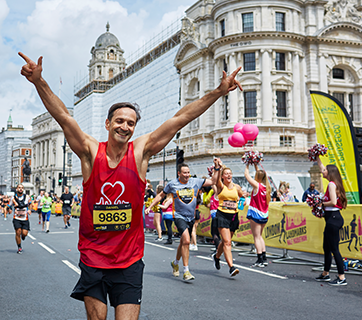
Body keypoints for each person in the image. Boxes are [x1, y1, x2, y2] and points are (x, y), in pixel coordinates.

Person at [20, 51, 242, 318]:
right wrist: (39, 82)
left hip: (129, 260)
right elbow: (64, 118)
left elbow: (179, 119)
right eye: (120, 121)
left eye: (131, 123)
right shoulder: (91, 152)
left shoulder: (140, 152)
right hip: (94, 256)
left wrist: (218, 92)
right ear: (108, 123)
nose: (125, 127)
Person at [147, 161, 220, 281]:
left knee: (183, 242)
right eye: (184, 173)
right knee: (186, 240)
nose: (187, 175)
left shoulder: (195, 182)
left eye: (188, 173)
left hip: (191, 217)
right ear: (179, 173)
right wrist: (150, 207)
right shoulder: (172, 184)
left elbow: (213, 181)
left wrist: (216, 169)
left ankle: (175, 263)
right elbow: (161, 195)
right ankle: (186, 271)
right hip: (179, 216)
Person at [314, 154, 348, 286]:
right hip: (332, 218)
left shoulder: (331, 185)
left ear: (330, 173)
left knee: (334, 249)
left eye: (325, 170)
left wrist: (321, 203)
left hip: (333, 218)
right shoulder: (333, 183)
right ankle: (325, 273)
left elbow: (333, 202)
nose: (323, 172)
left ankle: (341, 277)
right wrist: (317, 157)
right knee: (327, 247)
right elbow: (322, 167)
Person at [212, 163, 245, 277]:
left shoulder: (237, 187)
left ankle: (216, 257)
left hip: (233, 216)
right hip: (222, 215)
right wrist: (218, 168)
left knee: (225, 241)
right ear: (222, 177)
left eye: (230, 173)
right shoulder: (221, 186)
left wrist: (242, 202)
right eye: (226, 174)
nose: (228, 175)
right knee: (227, 242)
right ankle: (231, 267)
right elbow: (215, 180)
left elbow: (242, 196)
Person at [244, 163, 271, 267]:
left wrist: (247, 164)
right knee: (260, 236)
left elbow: (247, 176)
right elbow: (260, 174)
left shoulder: (257, 186)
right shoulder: (267, 187)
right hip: (264, 214)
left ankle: (259, 259)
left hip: (256, 214)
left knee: (256, 237)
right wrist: (256, 165)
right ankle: (264, 258)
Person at [12, 184, 30, 254]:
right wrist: (9, 209)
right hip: (16, 218)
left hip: (25, 218)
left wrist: (30, 210)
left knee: (24, 233)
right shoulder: (13, 198)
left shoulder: (27, 197)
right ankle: (19, 247)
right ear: (16, 189)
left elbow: (30, 204)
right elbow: (9, 205)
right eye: (19, 187)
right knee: (18, 232)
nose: (21, 189)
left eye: (22, 188)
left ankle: (23, 235)